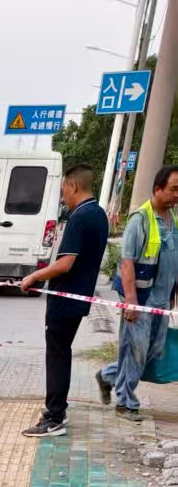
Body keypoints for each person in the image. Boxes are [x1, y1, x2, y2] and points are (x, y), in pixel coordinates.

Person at [18, 163, 110, 439]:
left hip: (64, 298)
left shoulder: (79, 217)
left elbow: (65, 263)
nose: (63, 197)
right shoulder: (99, 214)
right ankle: (58, 410)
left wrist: (34, 276)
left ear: (73, 186)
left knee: (57, 355)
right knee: (62, 353)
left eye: (63, 191)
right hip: (79, 296)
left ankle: (54, 417)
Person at [96, 164, 178, 419]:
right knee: (136, 351)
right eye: (174, 189)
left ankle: (108, 375)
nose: (177, 195)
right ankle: (126, 402)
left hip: (162, 301)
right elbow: (127, 262)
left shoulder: (173, 219)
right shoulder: (140, 219)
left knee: (153, 351)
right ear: (158, 189)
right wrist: (131, 301)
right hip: (141, 299)